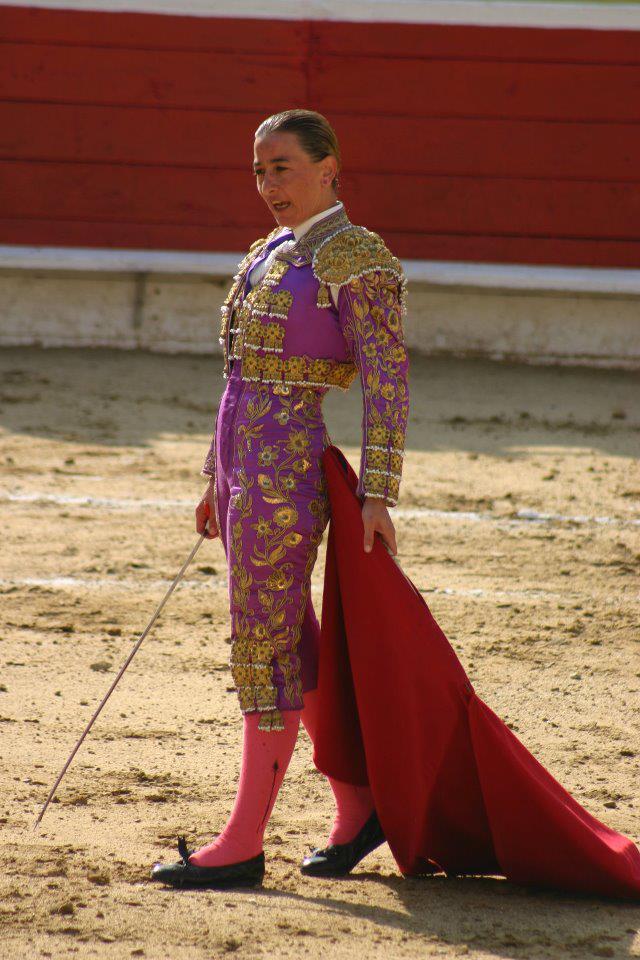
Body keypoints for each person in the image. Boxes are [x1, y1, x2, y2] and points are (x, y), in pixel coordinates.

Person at [151, 109, 410, 889]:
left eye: (283, 167)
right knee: (290, 637)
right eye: (259, 170)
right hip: (243, 473)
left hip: (287, 475)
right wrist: (214, 474)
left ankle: (242, 843)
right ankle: (358, 807)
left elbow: (387, 379)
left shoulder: (354, 257)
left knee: (263, 646)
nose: (268, 183)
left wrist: (378, 492)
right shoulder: (270, 252)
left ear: (329, 168)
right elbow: (236, 379)